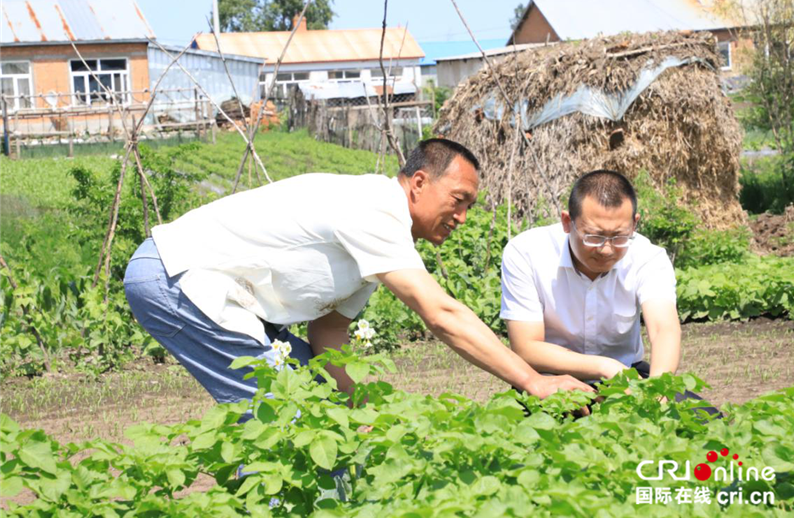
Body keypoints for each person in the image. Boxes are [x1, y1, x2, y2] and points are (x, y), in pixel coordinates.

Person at [124, 139, 594, 412]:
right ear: (418, 183)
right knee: (283, 416)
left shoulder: (383, 240)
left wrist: (365, 413)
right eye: (459, 200)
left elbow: (328, 337)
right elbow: (442, 314)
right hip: (179, 278)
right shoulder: (374, 209)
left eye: (471, 207)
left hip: (222, 295)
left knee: (321, 408)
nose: (463, 217)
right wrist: (535, 382)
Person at [501, 169, 703, 404]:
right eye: (594, 237)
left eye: (619, 237)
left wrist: (657, 390)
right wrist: (604, 367)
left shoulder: (649, 257)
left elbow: (663, 329)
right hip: (550, 380)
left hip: (628, 376)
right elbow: (527, 347)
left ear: (634, 225)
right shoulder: (526, 252)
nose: (606, 249)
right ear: (567, 222)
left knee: (711, 430)